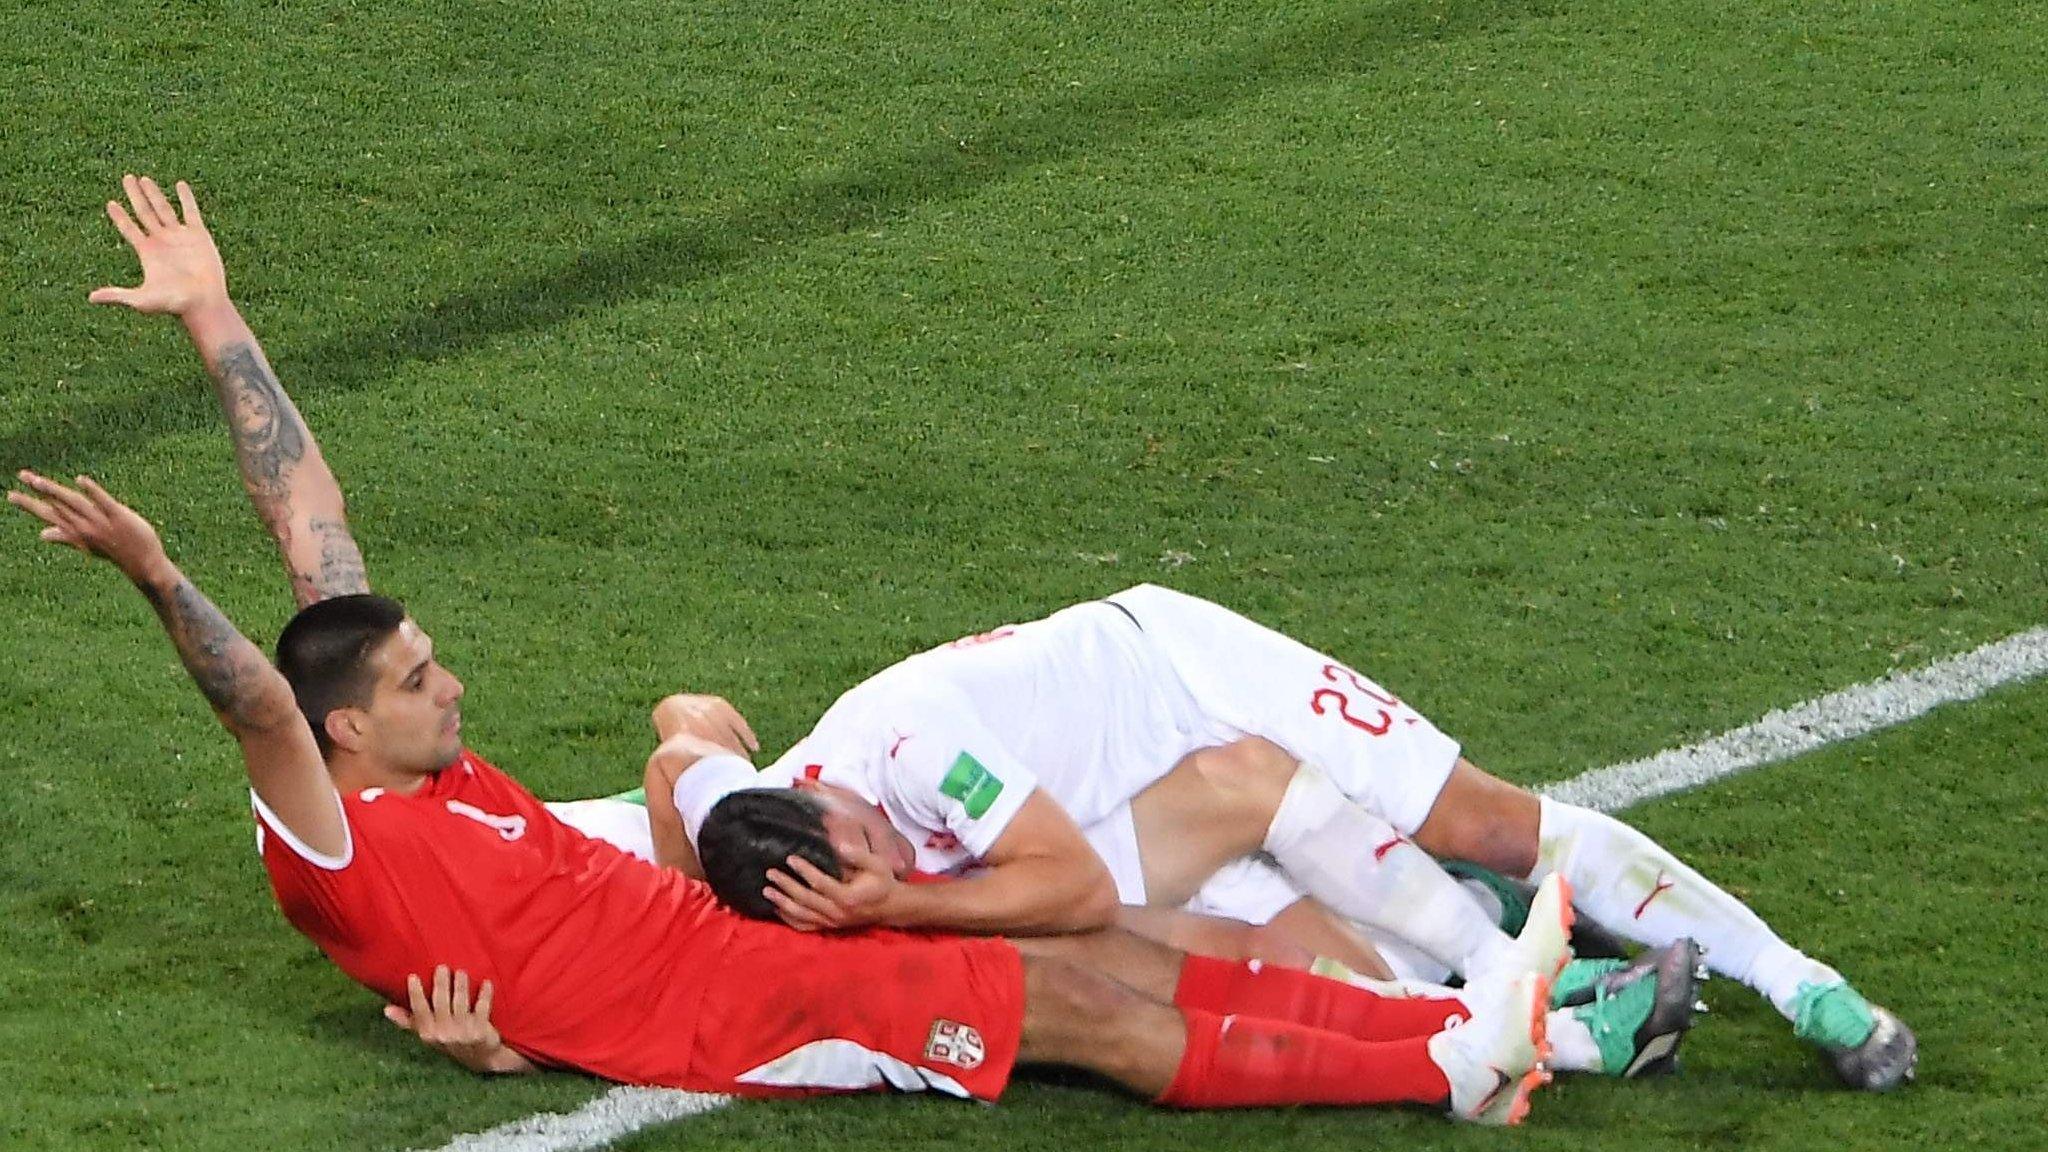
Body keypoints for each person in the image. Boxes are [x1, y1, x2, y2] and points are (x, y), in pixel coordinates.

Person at [26, 174, 1571, 1123]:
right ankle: (1444, 1069)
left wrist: (212, 313)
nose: (452, 685)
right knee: (1089, 1018)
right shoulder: (331, 837)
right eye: (420, 683)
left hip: (747, 936)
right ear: (339, 736)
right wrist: (156, 573)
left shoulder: (391, 744)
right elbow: (249, 699)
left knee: (1090, 950)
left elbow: (310, 522)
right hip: (742, 1017)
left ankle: (1467, 1023)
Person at [614, 581, 1914, 1091]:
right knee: (1201, 928)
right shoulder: (778, 835)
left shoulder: (906, 750)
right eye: (863, 877)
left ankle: (1803, 986)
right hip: (1105, 804)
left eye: (871, 849)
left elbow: (687, 726)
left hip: (1179, 674)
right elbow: (680, 741)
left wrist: (898, 907)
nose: (887, 866)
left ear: (832, 801)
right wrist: (702, 853)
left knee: (1486, 821)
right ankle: (1540, 1008)